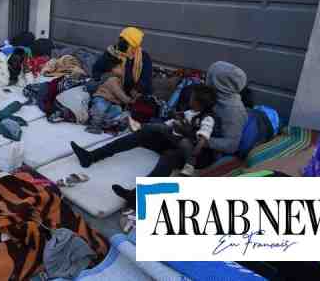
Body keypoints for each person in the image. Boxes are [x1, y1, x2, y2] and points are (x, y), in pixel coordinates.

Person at [70, 61, 248, 205]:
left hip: (199, 152)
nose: (206, 79)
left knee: (170, 156)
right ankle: (91, 156)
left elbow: (231, 145)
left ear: (220, 82)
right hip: (182, 136)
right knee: (145, 132)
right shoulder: (210, 95)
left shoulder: (234, 111)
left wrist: (194, 137)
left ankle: (138, 197)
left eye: (211, 77)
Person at [92, 27, 153, 96]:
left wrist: (137, 89)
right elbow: (96, 71)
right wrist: (110, 71)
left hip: (135, 94)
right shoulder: (111, 53)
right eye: (121, 39)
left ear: (135, 47)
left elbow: (146, 79)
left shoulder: (143, 57)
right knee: (100, 105)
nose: (122, 43)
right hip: (112, 92)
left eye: (127, 43)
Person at [86, 53, 133, 134]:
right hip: (102, 98)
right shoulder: (112, 79)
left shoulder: (120, 81)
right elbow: (119, 93)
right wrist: (128, 100)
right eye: (120, 68)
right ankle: (94, 125)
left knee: (117, 110)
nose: (123, 70)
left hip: (111, 102)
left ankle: (105, 123)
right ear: (113, 69)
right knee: (100, 108)